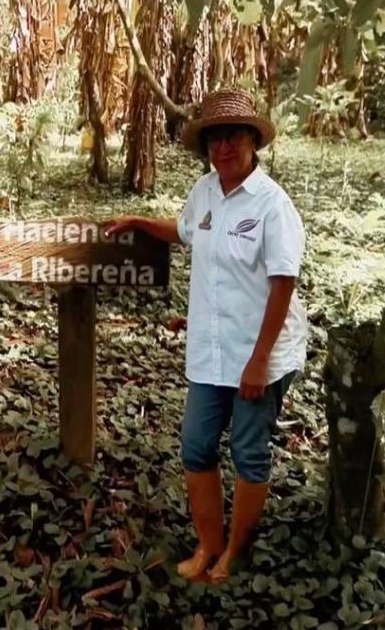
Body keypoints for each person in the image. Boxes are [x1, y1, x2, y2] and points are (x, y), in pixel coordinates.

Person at [106, 89, 307, 583]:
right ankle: (208, 545)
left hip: (261, 353)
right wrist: (138, 222)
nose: (223, 148)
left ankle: (234, 552)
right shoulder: (205, 192)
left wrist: (259, 361)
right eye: (215, 138)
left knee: (248, 451)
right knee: (196, 446)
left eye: (233, 136)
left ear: (252, 141)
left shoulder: (271, 205)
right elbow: (185, 230)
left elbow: (283, 284)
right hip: (211, 349)